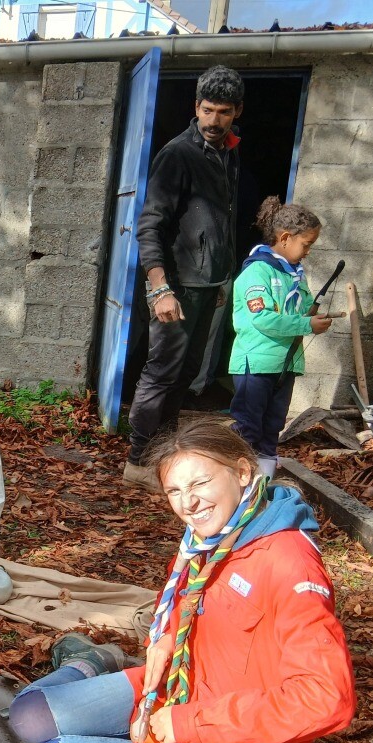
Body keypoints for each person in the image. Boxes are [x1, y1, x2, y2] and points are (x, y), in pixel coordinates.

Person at [7, 419, 355, 743]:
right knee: (26, 716)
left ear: (242, 472)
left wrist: (189, 722)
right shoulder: (209, 537)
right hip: (174, 688)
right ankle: (90, 662)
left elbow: (326, 698)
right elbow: (183, 602)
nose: (188, 504)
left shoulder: (288, 563)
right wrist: (165, 638)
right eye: (175, 490)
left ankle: (107, 715)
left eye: (200, 483)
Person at [124, 66, 245, 492]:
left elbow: (220, 225)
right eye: (207, 110)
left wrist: (220, 281)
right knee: (162, 372)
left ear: (237, 113)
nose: (214, 121)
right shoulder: (179, 154)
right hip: (174, 286)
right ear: (196, 108)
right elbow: (150, 224)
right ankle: (138, 460)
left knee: (186, 373)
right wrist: (159, 287)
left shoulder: (227, 154)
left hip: (205, 287)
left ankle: (164, 455)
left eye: (224, 112)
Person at [228, 197, 341, 478]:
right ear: (286, 238)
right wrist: (305, 324)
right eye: (307, 244)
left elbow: (298, 311)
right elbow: (262, 318)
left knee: (273, 424)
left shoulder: (294, 274)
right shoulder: (257, 272)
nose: (308, 252)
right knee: (248, 425)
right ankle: (235, 477)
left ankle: (263, 480)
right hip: (256, 363)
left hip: (285, 363)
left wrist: (311, 316)